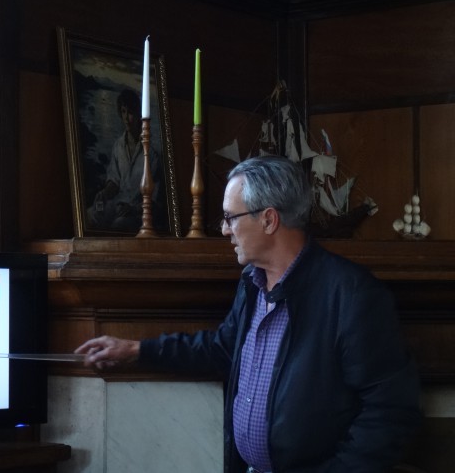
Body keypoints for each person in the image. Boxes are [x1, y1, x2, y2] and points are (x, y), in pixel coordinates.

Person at [75, 155, 422, 472]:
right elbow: (222, 349)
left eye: (230, 218)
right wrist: (137, 350)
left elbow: (389, 412)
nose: (224, 229)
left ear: (269, 219)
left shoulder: (352, 294)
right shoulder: (251, 283)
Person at [87, 88, 162, 231]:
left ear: (138, 114)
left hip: (138, 212)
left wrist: (134, 208)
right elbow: (115, 181)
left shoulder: (152, 152)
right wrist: (104, 193)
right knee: (90, 215)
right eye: (123, 112)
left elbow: (154, 198)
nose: (126, 118)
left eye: (130, 112)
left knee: (118, 225)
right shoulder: (118, 146)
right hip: (118, 204)